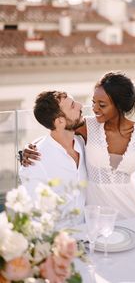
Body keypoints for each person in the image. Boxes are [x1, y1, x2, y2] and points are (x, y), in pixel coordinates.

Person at [22, 72, 135, 222]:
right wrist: (29, 148)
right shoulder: (87, 127)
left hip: (134, 210)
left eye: (102, 105)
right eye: (94, 102)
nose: (95, 109)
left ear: (119, 106)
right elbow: (57, 129)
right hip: (97, 216)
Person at [19, 91, 87, 224]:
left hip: (88, 233)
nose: (80, 105)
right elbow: (35, 216)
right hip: (58, 239)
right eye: (73, 106)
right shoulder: (35, 161)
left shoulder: (83, 143)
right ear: (60, 121)